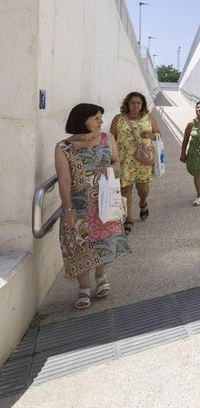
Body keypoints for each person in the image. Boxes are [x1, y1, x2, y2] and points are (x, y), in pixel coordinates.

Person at [55, 103, 130, 310]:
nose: (100, 121)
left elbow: (118, 163)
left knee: (103, 241)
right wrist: (67, 208)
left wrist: (109, 168)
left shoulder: (108, 138)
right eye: (96, 117)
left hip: (104, 200)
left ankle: (101, 275)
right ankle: (83, 287)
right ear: (82, 119)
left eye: (100, 117)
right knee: (79, 244)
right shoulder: (63, 147)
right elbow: (63, 179)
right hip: (79, 204)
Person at [109, 92, 160, 235]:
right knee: (125, 190)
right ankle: (128, 218)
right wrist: (111, 158)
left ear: (142, 104)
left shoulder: (148, 117)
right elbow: (111, 138)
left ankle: (143, 203)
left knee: (143, 188)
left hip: (142, 159)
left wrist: (149, 135)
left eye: (139, 103)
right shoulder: (118, 119)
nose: (136, 105)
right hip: (124, 159)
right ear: (127, 104)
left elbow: (158, 134)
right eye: (133, 102)